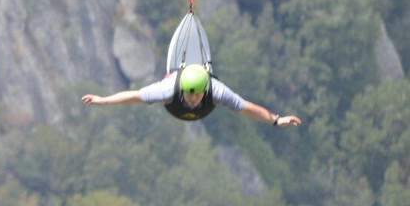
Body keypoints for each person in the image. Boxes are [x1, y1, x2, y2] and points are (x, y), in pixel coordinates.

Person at [82, 63, 302, 127]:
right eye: (190, 94)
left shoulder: (217, 91)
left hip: (203, 113)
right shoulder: (168, 89)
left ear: (205, 90)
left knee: (232, 104)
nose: (193, 99)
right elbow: (135, 96)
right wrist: (103, 100)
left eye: (197, 95)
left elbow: (246, 108)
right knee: (152, 97)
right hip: (174, 109)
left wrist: (275, 119)